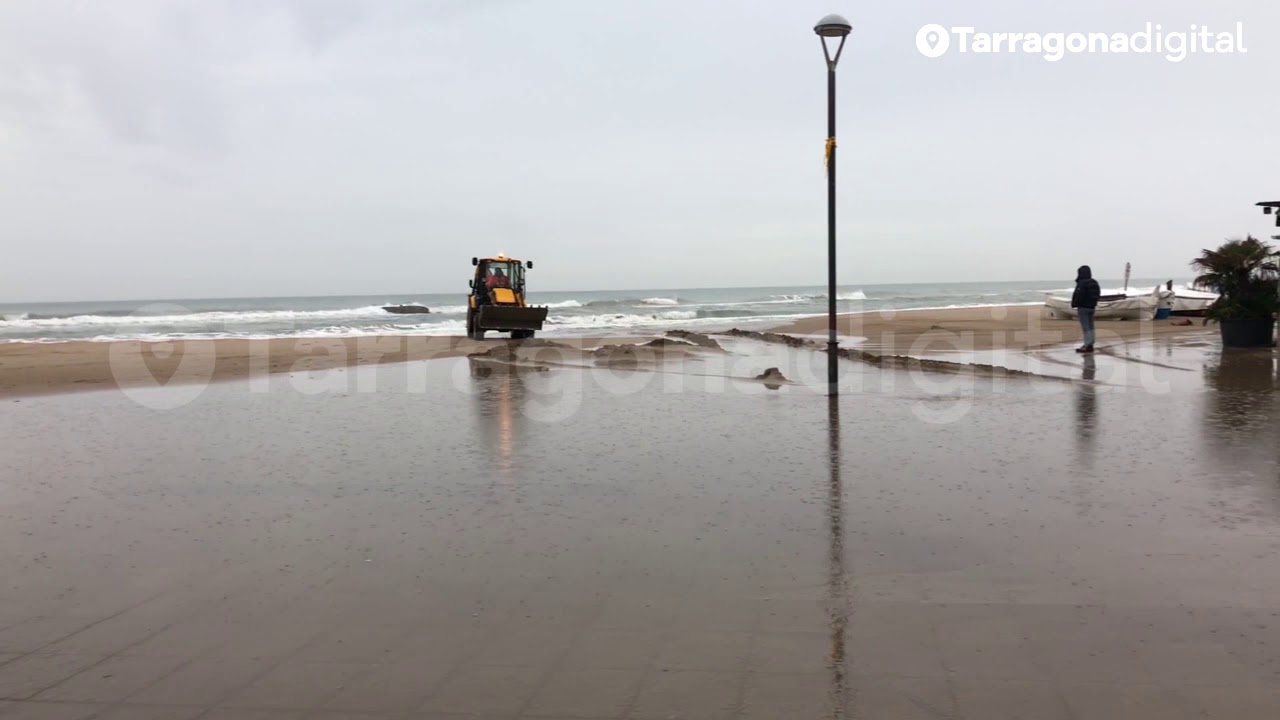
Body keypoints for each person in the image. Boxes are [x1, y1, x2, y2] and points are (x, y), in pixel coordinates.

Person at [1071, 265, 1101, 353]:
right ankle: (1091, 343)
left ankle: (1087, 345)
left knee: (1086, 327)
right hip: (1092, 307)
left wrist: (1075, 303)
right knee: (1091, 326)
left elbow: (1079, 295)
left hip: (1083, 307)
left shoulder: (1082, 283)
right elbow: (1097, 294)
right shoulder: (1094, 282)